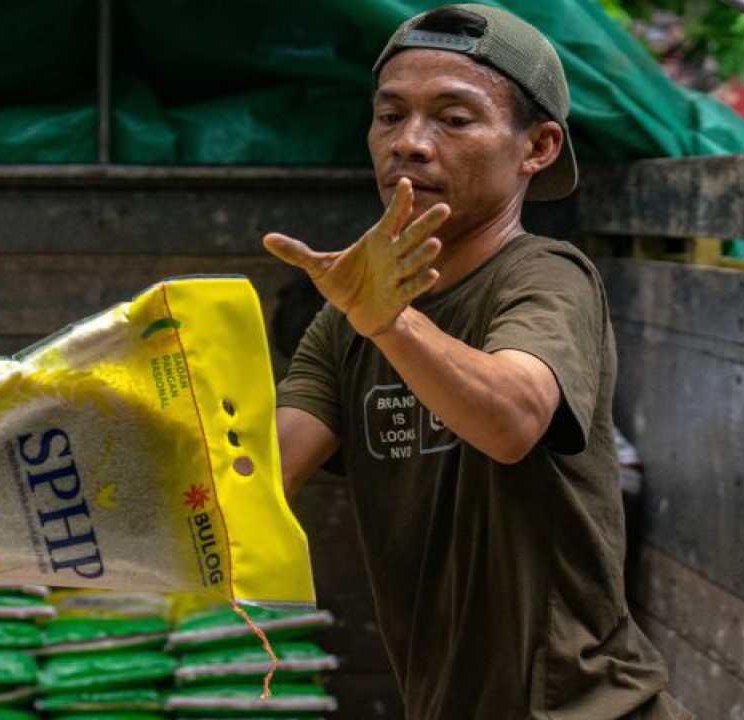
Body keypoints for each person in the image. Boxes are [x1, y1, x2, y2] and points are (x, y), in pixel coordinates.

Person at [263, 5, 691, 720]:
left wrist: (391, 323)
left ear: (539, 147)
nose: (411, 143)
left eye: (454, 119)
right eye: (389, 115)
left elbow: (512, 417)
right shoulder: (347, 326)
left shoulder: (547, 277)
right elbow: (258, 477)